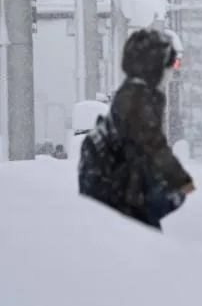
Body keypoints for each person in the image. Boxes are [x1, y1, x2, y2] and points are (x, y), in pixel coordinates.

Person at [78, 29, 195, 231]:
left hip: (118, 188)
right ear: (154, 65)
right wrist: (180, 179)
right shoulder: (139, 96)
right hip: (121, 191)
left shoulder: (132, 92)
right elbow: (151, 141)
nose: (169, 73)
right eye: (168, 65)